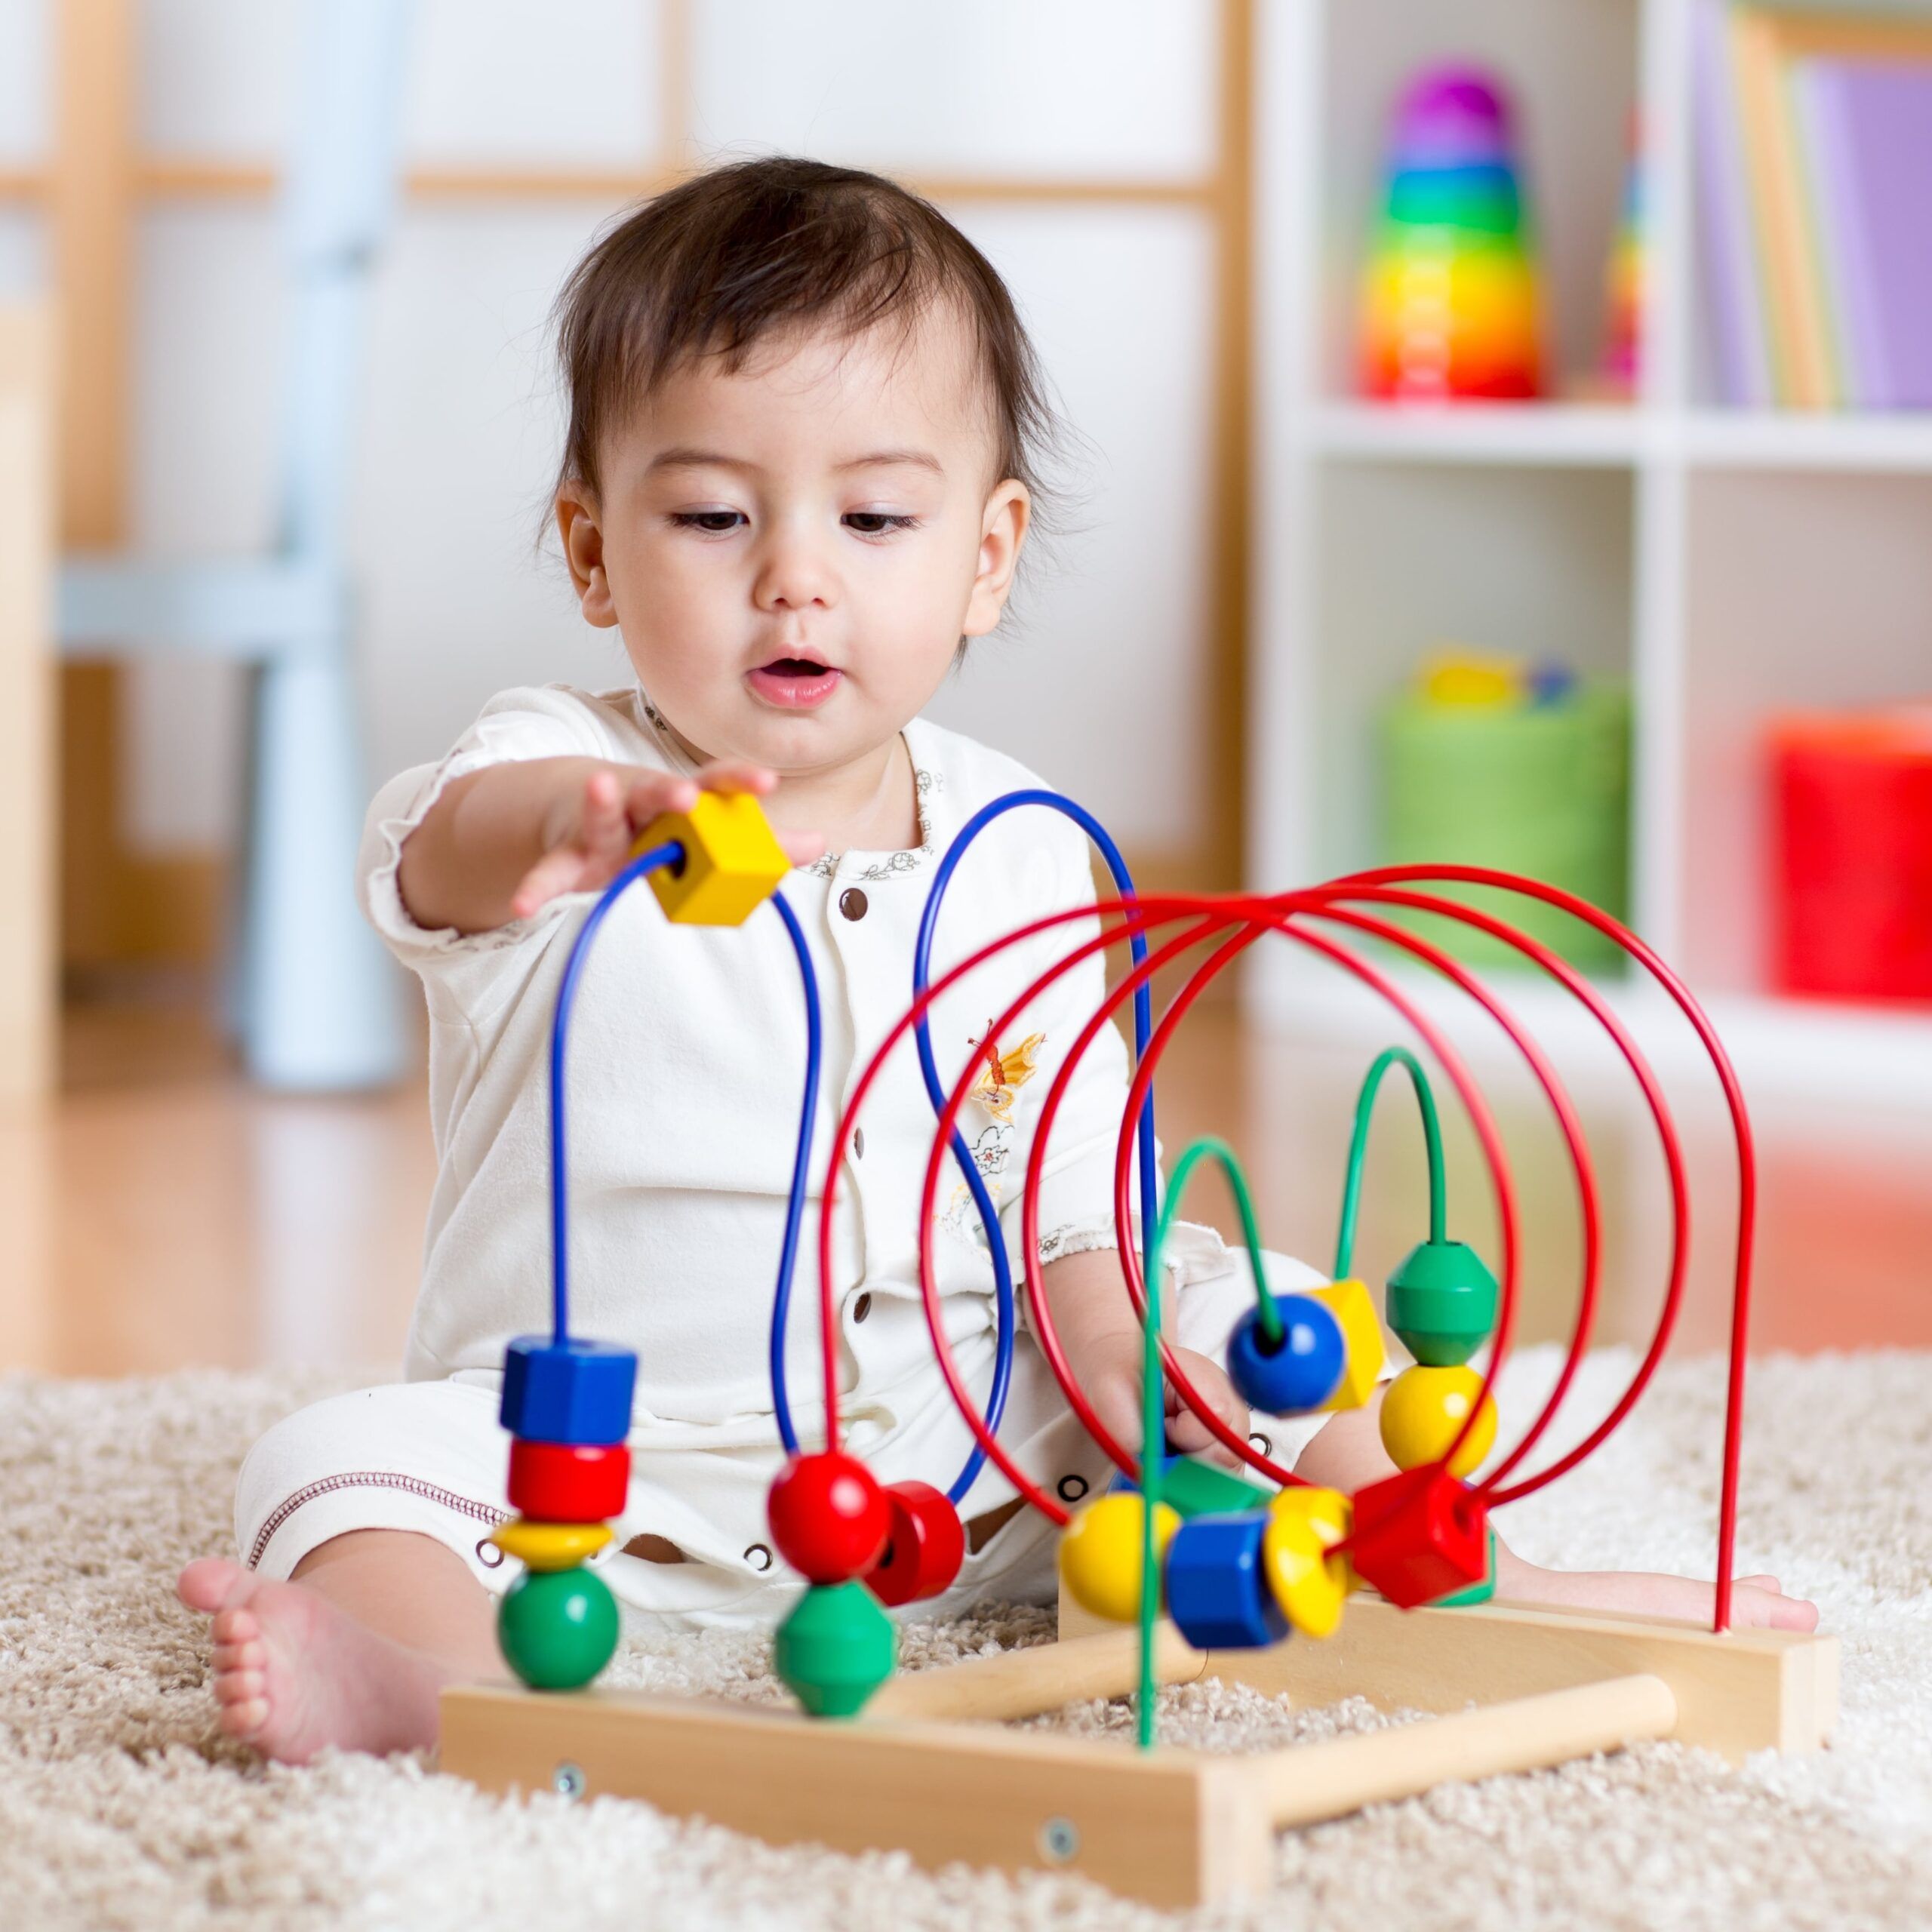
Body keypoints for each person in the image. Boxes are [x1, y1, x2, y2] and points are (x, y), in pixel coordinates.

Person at [177, 158, 1815, 1766]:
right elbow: (444, 851)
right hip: (604, 1479)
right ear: (593, 548)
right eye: (710, 513)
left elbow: (1071, 1189)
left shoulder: (1024, 845)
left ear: (985, 555)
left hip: (977, 1471)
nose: (793, 572)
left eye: (875, 514)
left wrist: (1112, 1352)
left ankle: (1474, 1578)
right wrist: (583, 825)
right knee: (341, 1461)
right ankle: (429, 1682)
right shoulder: (552, 773)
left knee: (1261, 1311)